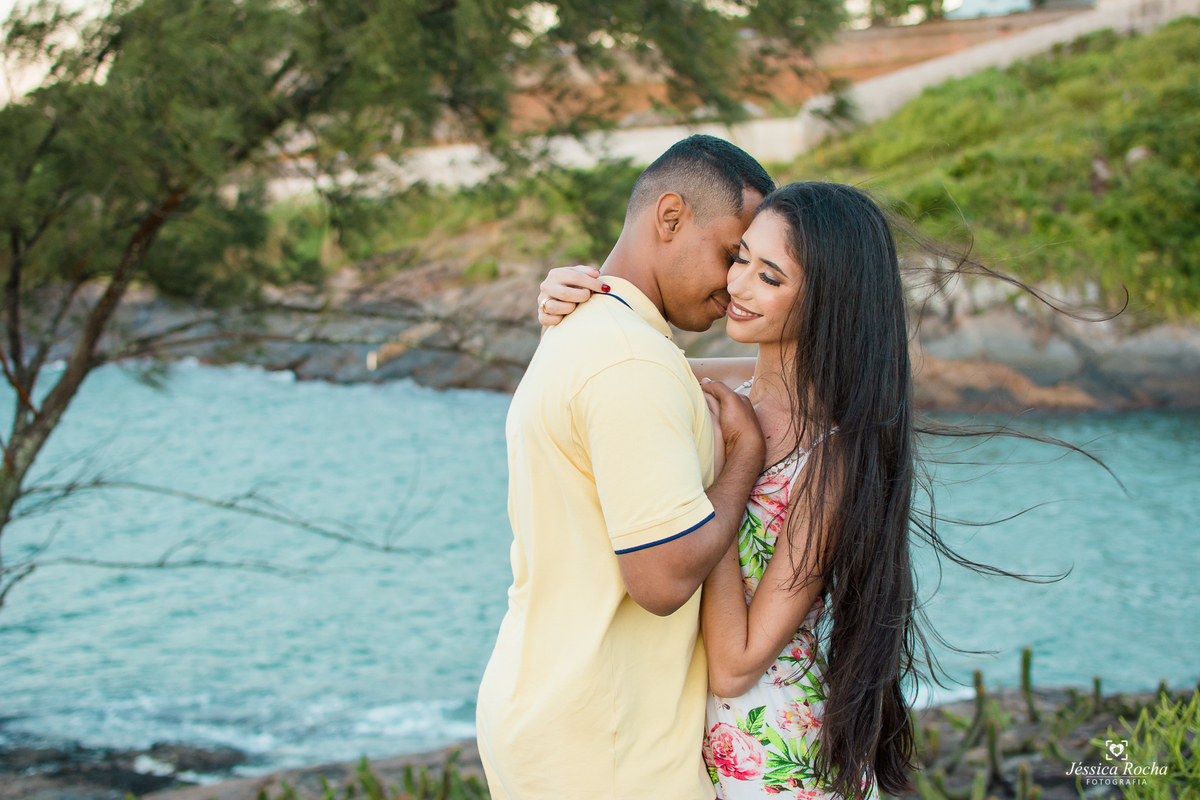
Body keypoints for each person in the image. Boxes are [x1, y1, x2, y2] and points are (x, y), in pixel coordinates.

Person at [538, 181, 930, 800]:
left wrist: (728, 470)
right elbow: (609, 368)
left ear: (830, 300)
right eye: (740, 257)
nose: (737, 286)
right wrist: (571, 301)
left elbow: (735, 663)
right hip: (690, 747)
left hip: (776, 756)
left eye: (770, 277)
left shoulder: (831, 457)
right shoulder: (725, 389)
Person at [475, 134, 777, 800]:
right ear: (670, 217)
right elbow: (661, 579)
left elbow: (723, 379)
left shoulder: (595, 332)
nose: (735, 284)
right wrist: (742, 464)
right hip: (606, 744)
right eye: (732, 254)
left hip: (553, 713)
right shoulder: (630, 361)